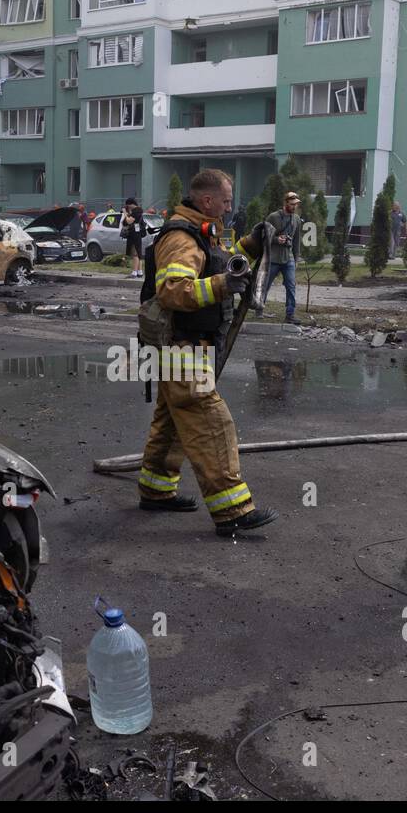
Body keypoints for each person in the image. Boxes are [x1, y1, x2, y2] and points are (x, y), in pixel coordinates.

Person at [136, 169, 278, 537]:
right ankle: (231, 509)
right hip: (181, 346)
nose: (231, 207)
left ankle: (156, 490)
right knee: (211, 423)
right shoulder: (181, 237)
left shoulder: (201, 230)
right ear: (207, 200)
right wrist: (222, 286)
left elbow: (219, 262)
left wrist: (250, 245)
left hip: (186, 346)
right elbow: (172, 290)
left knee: (173, 424)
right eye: (226, 200)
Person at [261, 192, 302, 324]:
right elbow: (263, 235)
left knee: (291, 285)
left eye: (296, 204)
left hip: (288, 257)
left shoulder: (296, 219)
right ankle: (259, 308)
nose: (294, 207)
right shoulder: (273, 217)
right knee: (265, 285)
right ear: (285, 203)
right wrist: (276, 239)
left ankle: (290, 314)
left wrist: (296, 259)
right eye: (292, 204)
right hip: (273, 257)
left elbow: (296, 240)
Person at [122, 197, 146, 277]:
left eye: (128, 206)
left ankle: (134, 272)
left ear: (131, 204)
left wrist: (125, 213)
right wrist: (128, 213)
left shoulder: (137, 211)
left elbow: (129, 221)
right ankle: (139, 272)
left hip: (135, 234)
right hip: (136, 233)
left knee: (135, 253)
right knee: (138, 253)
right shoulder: (136, 211)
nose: (128, 207)